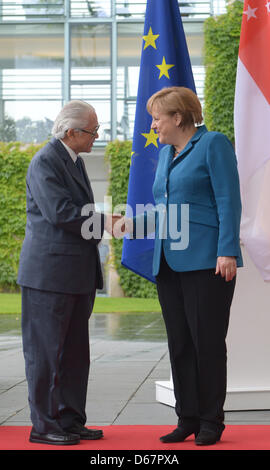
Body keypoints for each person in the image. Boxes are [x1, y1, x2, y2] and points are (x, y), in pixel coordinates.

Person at [119, 87, 243, 446]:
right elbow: (163, 211)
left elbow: (228, 200)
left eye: (157, 117)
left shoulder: (213, 144)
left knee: (206, 343)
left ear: (178, 117)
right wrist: (130, 222)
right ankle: (186, 417)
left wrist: (228, 250)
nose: (153, 123)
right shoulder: (164, 155)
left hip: (207, 261)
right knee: (180, 344)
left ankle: (210, 422)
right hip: (169, 263)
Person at [17, 100, 117, 445]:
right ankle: (44, 426)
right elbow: (62, 214)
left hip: (74, 276)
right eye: (93, 131)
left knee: (75, 354)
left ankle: (71, 420)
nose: (97, 136)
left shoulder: (73, 161)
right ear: (71, 132)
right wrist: (109, 224)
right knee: (46, 354)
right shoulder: (45, 161)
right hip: (49, 277)